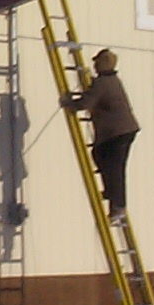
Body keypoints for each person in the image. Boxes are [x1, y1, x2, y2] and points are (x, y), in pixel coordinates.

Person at [61, 48, 139, 223]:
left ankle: (118, 206)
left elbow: (86, 102)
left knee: (115, 168)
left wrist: (68, 103)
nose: (94, 65)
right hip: (120, 131)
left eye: (96, 62)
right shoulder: (112, 80)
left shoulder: (102, 83)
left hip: (116, 133)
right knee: (99, 155)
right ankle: (111, 193)